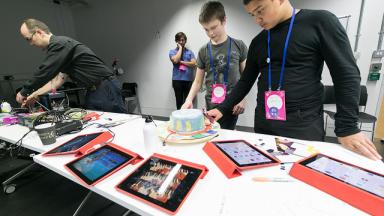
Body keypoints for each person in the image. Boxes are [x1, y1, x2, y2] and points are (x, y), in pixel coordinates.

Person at [207, 0, 382, 160]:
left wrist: (347, 127)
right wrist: (222, 108)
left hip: (302, 125)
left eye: (260, 10)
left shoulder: (319, 22)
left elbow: (346, 74)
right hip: (265, 122)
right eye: (252, 14)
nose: (257, 19)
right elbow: (245, 81)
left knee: (305, 179)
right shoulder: (258, 41)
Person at [16, 18, 127, 113]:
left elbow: (45, 71)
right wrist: (35, 94)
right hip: (93, 90)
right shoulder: (62, 51)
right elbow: (57, 81)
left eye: (29, 39)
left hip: (105, 88)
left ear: (39, 32)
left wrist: (24, 91)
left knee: (117, 125)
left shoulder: (59, 44)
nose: (31, 44)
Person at [181, 1, 248, 130]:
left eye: (213, 27)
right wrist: (188, 100)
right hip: (211, 104)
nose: (210, 33)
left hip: (232, 105)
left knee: (227, 137)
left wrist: (242, 98)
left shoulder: (239, 46)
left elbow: (246, 78)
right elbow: (198, 81)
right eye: (206, 29)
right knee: (211, 136)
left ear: (224, 21)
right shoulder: (203, 51)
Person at [169, 32, 196, 109]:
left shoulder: (190, 52)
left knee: (188, 102)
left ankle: (188, 120)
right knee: (179, 102)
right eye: (179, 40)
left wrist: (182, 62)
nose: (181, 42)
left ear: (185, 41)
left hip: (188, 81)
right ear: (176, 41)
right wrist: (180, 48)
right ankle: (179, 120)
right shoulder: (172, 52)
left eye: (182, 40)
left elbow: (194, 63)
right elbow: (175, 60)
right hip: (177, 81)